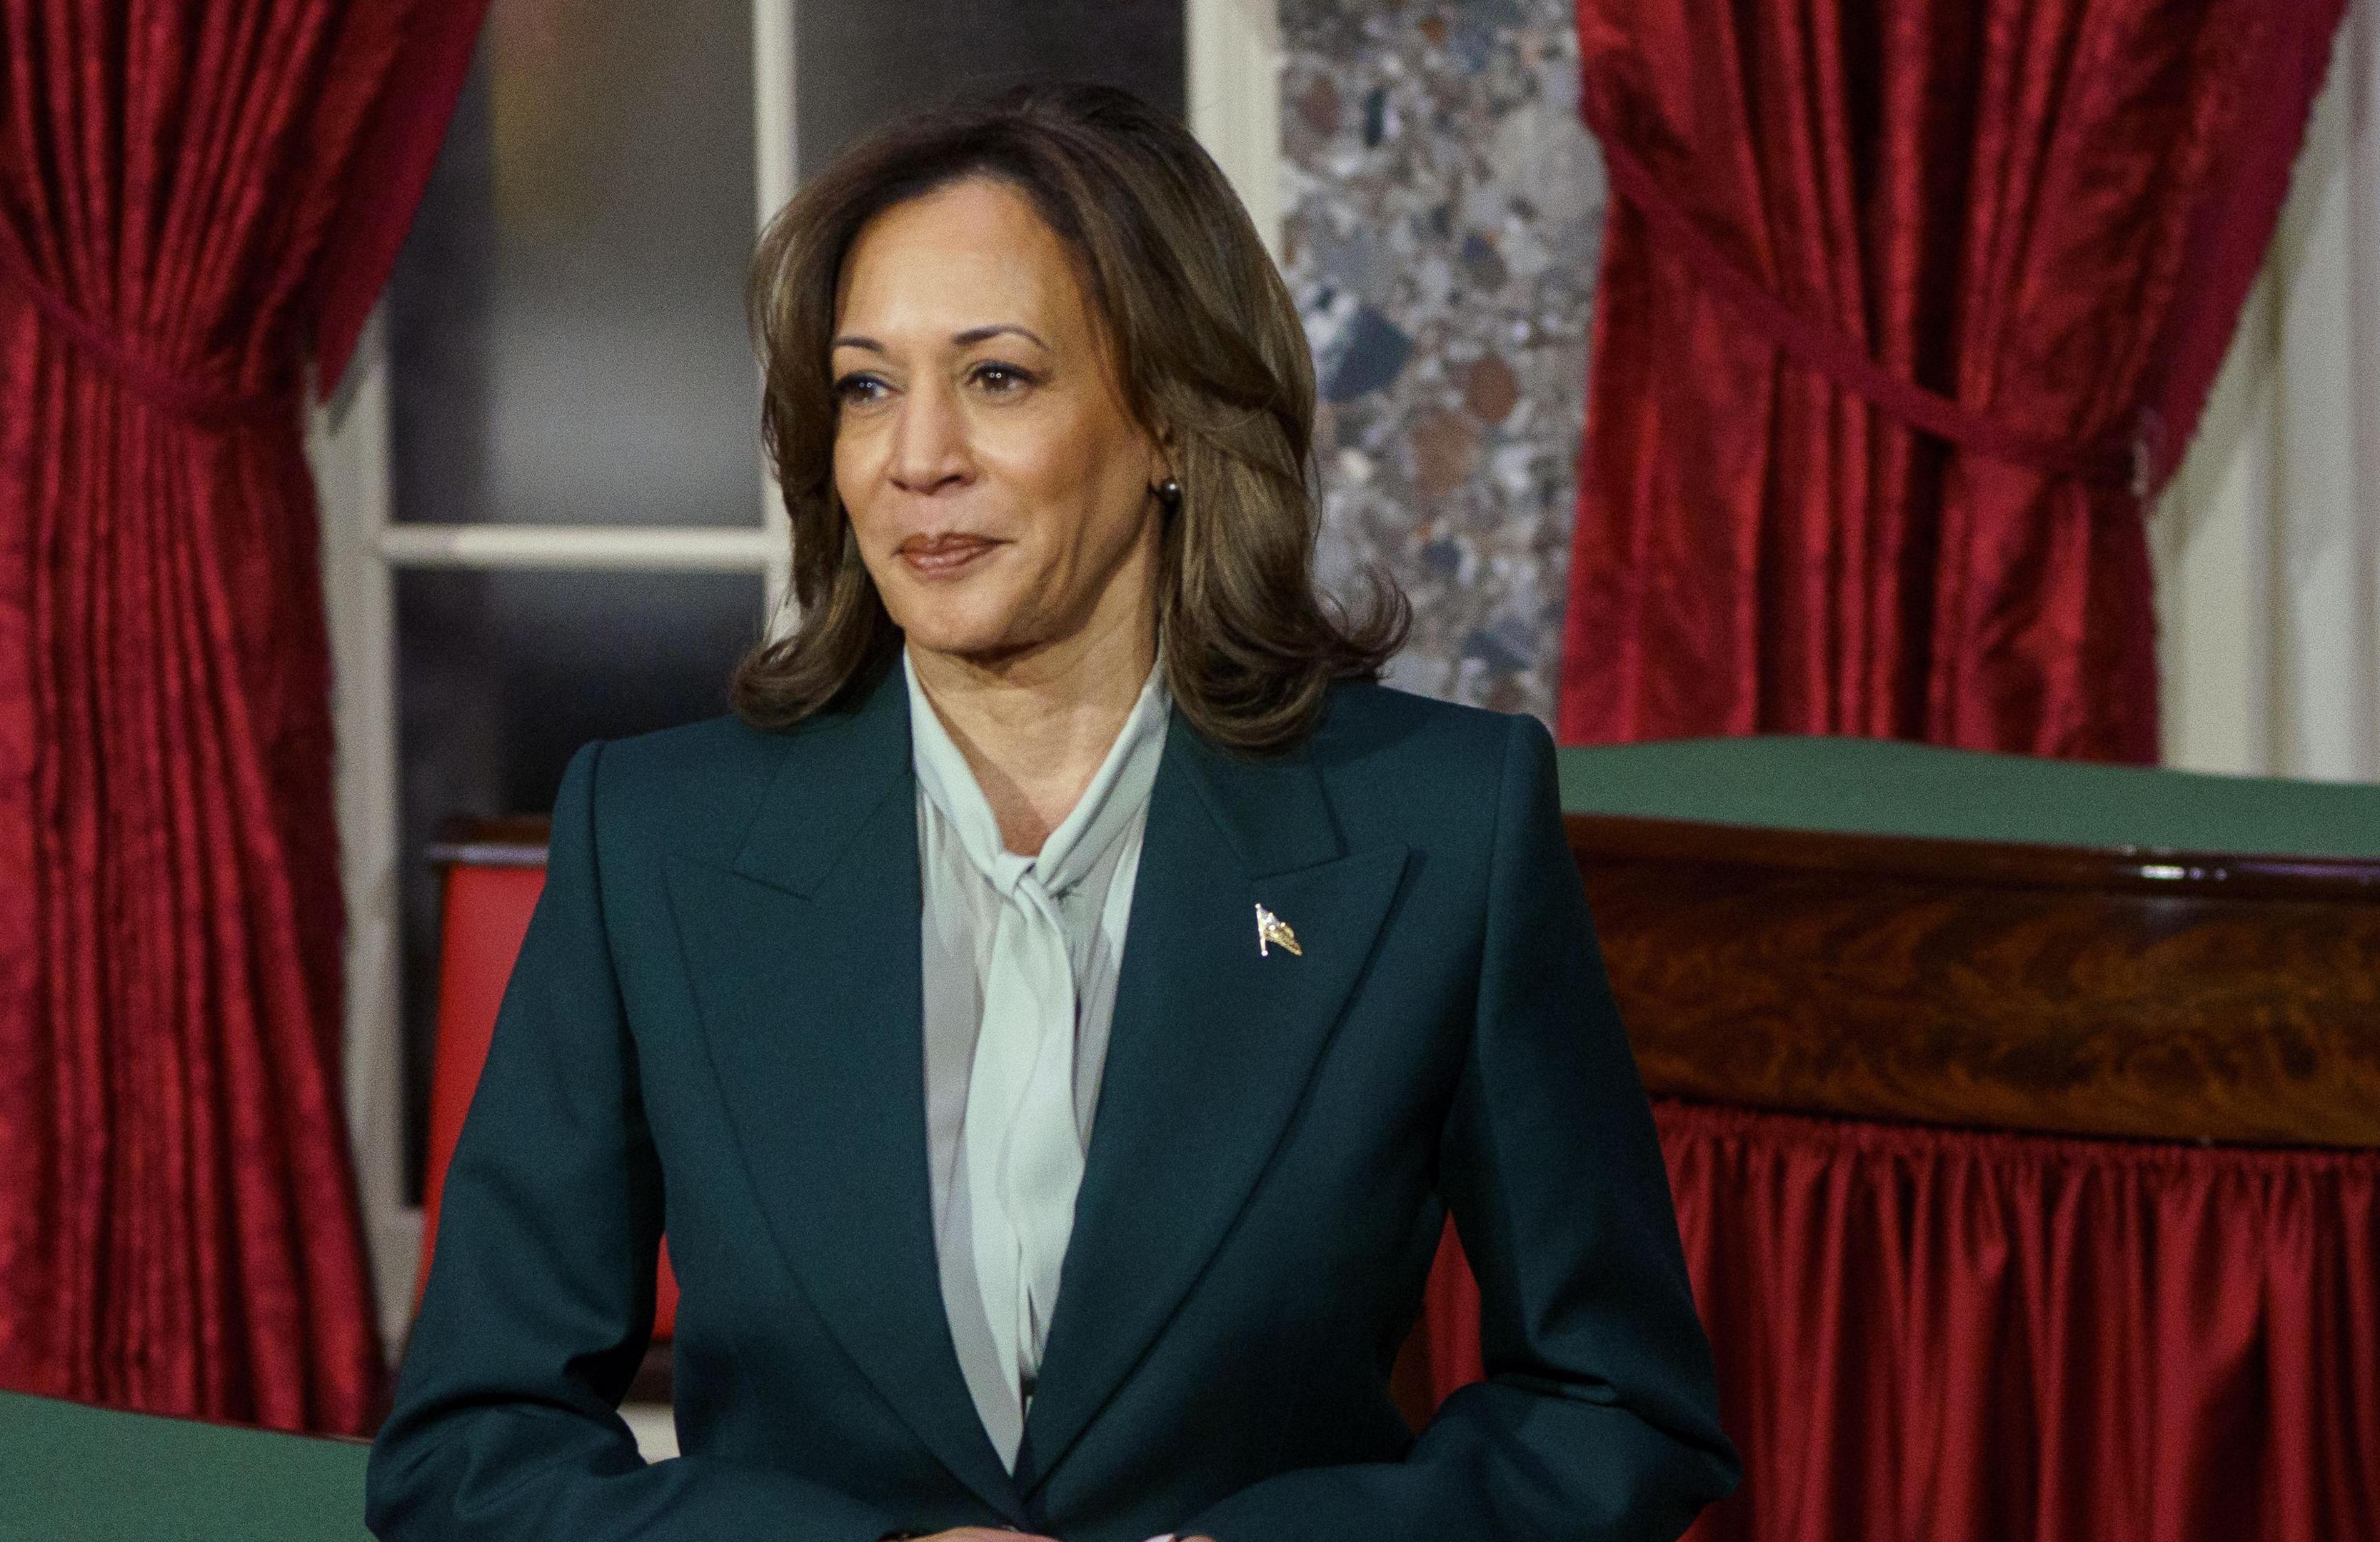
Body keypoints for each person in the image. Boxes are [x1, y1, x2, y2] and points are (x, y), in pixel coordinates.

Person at [366, 83, 1739, 1542]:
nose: (918, 459)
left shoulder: (1442, 828)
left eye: (999, 377)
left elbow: (1613, 1412)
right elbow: (471, 1452)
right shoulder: (651, 840)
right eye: (866, 386)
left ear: (1169, 419)